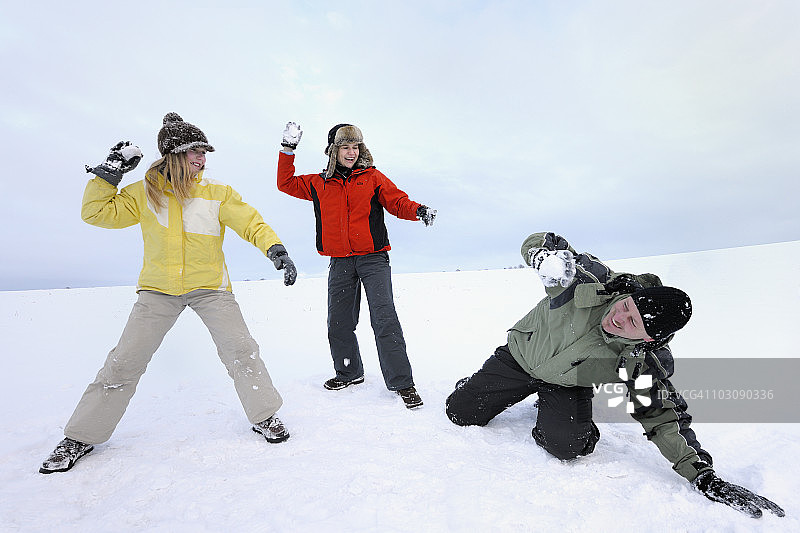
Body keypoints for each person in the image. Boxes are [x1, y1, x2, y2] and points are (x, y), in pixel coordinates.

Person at [445, 231, 784, 519]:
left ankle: (569, 416)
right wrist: (542, 254)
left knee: (568, 448)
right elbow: (541, 242)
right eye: (625, 307)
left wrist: (703, 476)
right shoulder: (588, 282)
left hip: (568, 384)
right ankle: (479, 387)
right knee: (459, 412)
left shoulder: (637, 363)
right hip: (519, 357)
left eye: (633, 323)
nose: (618, 318)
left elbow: (663, 419)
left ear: (649, 339)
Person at [40, 113, 298, 474]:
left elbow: (251, 223)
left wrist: (276, 249)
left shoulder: (216, 192)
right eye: (195, 151)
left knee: (241, 352)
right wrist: (108, 174)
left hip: (210, 288)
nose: (203, 159)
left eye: (205, 152)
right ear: (173, 154)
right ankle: (81, 436)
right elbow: (96, 213)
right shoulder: (144, 193)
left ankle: (265, 416)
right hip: (158, 292)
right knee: (123, 362)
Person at [276, 122, 436, 409]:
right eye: (345, 147)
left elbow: (397, 201)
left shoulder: (372, 178)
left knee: (384, 319)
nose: (351, 152)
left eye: (355, 146)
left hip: (373, 259)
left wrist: (418, 210)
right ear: (333, 151)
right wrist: (288, 149)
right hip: (340, 261)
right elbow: (285, 183)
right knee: (339, 321)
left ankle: (403, 383)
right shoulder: (318, 183)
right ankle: (349, 372)